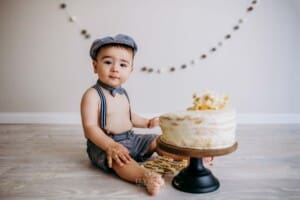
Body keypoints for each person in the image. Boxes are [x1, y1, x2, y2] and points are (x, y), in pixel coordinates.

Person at [80, 34, 165, 195]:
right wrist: (110, 145)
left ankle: (189, 159)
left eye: (123, 64)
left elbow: (129, 116)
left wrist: (147, 123)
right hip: (105, 144)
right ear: (95, 66)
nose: (115, 69)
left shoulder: (123, 93)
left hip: (130, 138)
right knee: (120, 161)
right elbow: (90, 128)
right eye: (107, 62)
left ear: (131, 70)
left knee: (157, 141)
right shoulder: (92, 95)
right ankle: (145, 177)